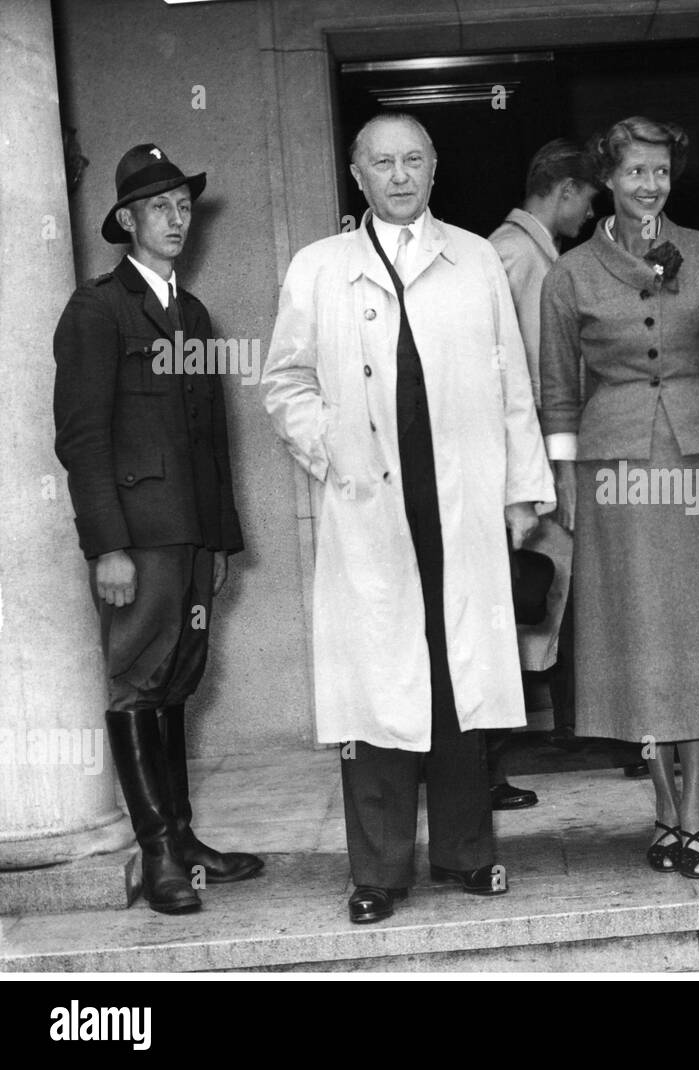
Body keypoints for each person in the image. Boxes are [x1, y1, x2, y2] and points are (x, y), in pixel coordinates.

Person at [262, 114, 554, 924]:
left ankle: (466, 854)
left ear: (434, 169)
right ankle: (379, 872)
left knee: (458, 677)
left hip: (459, 499)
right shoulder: (319, 267)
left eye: (413, 161)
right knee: (379, 689)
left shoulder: (475, 258)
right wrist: (333, 449)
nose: (399, 176)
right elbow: (284, 383)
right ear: (357, 177)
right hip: (370, 505)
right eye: (382, 163)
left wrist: (522, 489)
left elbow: (512, 381)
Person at [539, 116, 699, 879]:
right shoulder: (570, 273)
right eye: (635, 172)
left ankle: (695, 809)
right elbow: (558, 387)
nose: (649, 186)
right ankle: (661, 800)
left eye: (660, 172)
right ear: (608, 178)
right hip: (614, 466)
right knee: (636, 634)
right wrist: (564, 475)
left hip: (694, 460)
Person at [53, 144, 262, 914]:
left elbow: (212, 438)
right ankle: (158, 854)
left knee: (177, 678)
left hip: (192, 537)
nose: (177, 220)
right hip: (137, 538)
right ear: (126, 220)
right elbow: (81, 438)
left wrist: (221, 541)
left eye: (183, 207)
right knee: (139, 679)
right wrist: (107, 544)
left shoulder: (194, 312)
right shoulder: (98, 309)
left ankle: (183, 836)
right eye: (160, 208)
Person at [486, 138, 601, 809]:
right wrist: (543, 478)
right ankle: (488, 766)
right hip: (530, 467)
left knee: (539, 600)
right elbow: (524, 380)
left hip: (538, 461)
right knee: (516, 601)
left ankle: (563, 731)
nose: (589, 215)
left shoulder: (525, 254)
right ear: (562, 190)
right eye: (587, 198)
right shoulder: (518, 257)